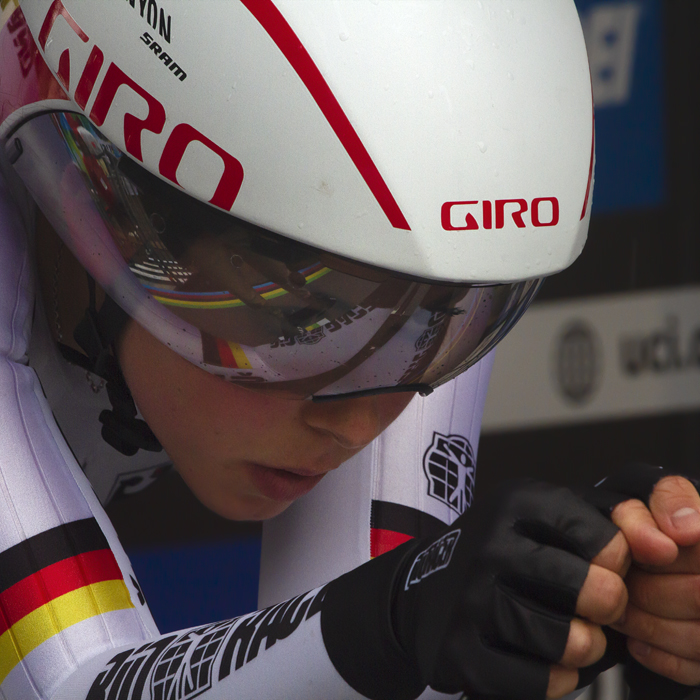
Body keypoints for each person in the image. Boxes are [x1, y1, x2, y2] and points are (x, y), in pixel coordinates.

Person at [0, 2, 698, 699]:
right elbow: (65, 690)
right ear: (113, 212)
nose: (360, 424)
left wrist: (581, 570)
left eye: (445, 327)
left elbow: (360, 666)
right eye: (305, 318)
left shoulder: (427, 265)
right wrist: (396, 617)